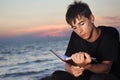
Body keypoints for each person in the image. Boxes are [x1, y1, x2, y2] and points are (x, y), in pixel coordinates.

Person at [51, 1, 120, 80]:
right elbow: (67, 63)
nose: (79, 31)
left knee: (97, 78)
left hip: (108, 76)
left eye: (82, 23)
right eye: (74, 27)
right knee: (56, 75)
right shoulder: (75, 35)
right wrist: (71, 70)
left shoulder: (110, 33)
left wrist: (87, 66)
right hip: (86, 76)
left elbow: (106, 68)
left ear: (91, 18)